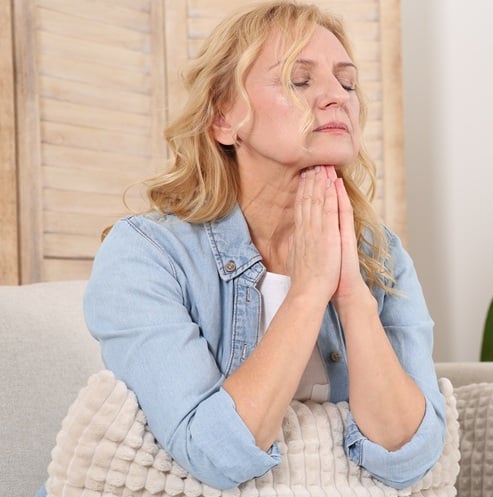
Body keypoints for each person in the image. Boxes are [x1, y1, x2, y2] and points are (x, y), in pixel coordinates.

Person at [35, 2, 444, 495]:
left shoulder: (382, 255)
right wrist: (308, 292)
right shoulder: (146, 254)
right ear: (223, 120)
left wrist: (351, 294)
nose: (336, 96)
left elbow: (410, 459)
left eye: (348, 82)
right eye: (299, 80)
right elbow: (213, 453)